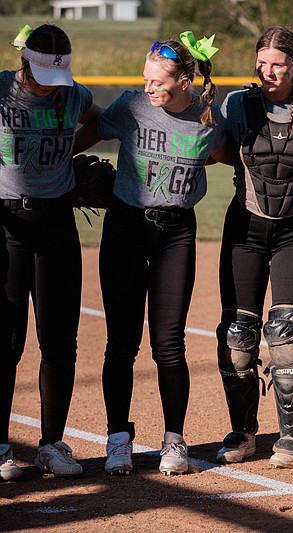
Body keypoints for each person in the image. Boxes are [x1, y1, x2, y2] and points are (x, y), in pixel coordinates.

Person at [76, 32, 225, 475]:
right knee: (121, 342)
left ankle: (174, 441)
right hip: (125, 228)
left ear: (184, 81)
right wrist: (52, 167)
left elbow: (219, 154)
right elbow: (92, 131)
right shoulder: (130, 106)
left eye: (159, 81)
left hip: (176, 234)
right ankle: (118, 438)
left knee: (169, 344)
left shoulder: (209, 116)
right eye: (146, 79)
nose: (149, 88)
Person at [215, 26, 293, 468]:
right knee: (239, 337)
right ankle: (243, 432)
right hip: (246, 225)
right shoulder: (237, 105)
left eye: (277, 63)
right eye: (261, 63)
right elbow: (214, 147)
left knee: (285, 333)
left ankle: (292, 438)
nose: (268, 72)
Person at [0, 23, 101, 479]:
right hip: (6, 225)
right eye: (42, 73)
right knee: (6, 340)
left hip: (56, 223)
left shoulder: (73, 94)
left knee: (60, 340)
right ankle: (1, 447)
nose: (49, 84)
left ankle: (51, 444)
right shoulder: (2, 89)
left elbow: (99, 122)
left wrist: (66, 156)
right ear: (26, 61)